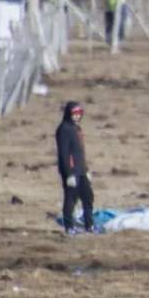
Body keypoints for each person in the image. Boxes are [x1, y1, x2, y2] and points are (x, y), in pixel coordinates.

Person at [56, 101, 95, 235]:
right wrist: (69, 173)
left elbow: (80, 152)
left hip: (81, 169)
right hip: (71, 171)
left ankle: (89, 225)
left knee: (87, 197)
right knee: (71, 199)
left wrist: (86, 169)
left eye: (79, 113)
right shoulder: (64, 129)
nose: (77, 116)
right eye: (74, 114)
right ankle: (69, 227)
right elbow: (65, 153)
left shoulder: (76, 128)